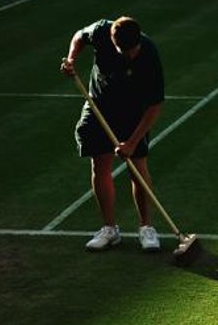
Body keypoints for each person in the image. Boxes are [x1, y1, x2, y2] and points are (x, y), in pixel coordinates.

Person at [59, 17, 165, 251]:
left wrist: (132, 142)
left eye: (131, 51)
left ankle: (146, 228)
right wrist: (71, 59)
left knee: (137, 166)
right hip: (98, 105)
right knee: (100, 164)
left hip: (133, 109)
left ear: (139, 41)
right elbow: (79, 36)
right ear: (111, 40)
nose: (127, 55)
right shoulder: (100, 31)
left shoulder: (149, 54)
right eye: (121, 51)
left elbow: (154, 106)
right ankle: (110, 229)